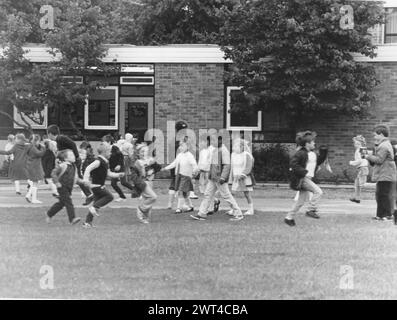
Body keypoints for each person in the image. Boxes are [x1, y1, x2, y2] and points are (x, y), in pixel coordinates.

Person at [190, 136, 244, 221]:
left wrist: (223, 177)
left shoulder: (224, 151)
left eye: (214, 140)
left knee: (227, 196)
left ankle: (238, 213)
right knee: (207, 195)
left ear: (220, 141)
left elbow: (227, 165)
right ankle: (202, 214)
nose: (212, 142)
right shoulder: (215, 150)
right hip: (213, 178)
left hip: (219, 178)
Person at [284, 131, 328, 227]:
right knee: (318, 192)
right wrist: (304, 172)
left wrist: (324, 152)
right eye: (313, 142)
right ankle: (311, 210)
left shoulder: (312, 153)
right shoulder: (300, 153)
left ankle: (289, 218)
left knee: (300, 201)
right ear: (307, 144)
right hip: (303, 178)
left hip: (308, 178)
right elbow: (293, 164)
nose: (314, 143)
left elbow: (318, 161)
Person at [47, 124, 93, 205]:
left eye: (48, 134)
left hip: (74, 161)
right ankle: (89, 195)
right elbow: (64, 151)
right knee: (75, 178)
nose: (48, 136)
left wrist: (76, 156)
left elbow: (72, 144)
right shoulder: (58, 140)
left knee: (71, 178)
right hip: (71, 161)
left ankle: (68, 196)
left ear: (50, 133)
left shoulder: (61, 138)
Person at [82, 143, 125, 228]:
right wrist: (85, 180)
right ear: (104, 152)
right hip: (96, 186)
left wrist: (118, 175)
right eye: (109, 151)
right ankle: (94, 207)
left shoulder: (105, 162)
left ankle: (87, 223)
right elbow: (88, 168)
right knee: (110, 197)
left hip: (99, 186)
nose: (110, 153)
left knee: (96, 202)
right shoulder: (98, 161)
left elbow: (109, 173)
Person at [364, 125, 397, 221]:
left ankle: (388, 215)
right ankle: (380, 215)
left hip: (386, 174)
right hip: (384, 173)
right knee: (380, 194)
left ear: (381, 134)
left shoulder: (384, 145)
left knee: (384, 195)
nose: (374, 137)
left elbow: (379, 160)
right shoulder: (384, 144)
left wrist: (368, 156)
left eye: (375, 135)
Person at [46, 149, 82, 225]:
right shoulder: (63, 165)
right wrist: (57, 182)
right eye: (71, 155)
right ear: (66, 159)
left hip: (69, 188)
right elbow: (53, 173)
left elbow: (75, 178)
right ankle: (72, 219)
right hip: (62, 187)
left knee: (61, 203)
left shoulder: (73, 166)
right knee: (69, 202)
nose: (74, 156)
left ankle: (49, 214)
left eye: (73, 154)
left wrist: (82, 182)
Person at [162, 142, 199, 214]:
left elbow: (194, 165)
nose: (180, 147)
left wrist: (195, 171)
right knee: (185, 193)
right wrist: (165, 168)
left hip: (186, 176)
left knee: (180, 191)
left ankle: (179, 208)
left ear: (187, 147)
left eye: (182, 146)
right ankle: (191, 206)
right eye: (180, 146)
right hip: (179, 176)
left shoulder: (190, 156)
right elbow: (174, 163)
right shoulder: (179, 155)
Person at [103, 134, 136, 202]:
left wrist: (119, 165)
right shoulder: (106, 149)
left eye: (105, 141)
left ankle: (138, 191)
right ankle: (122, 197)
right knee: (113, 184)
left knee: (123, 182)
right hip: (113, 169)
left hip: (120, 167)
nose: (103, 143)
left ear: (109, 142)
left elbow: (121, 156)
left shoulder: (114, 147)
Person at [228, 138, 256, 216]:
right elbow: (232, 167)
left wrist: (243, 174)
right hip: (236, 178)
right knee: (232, 193)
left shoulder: (247, 155)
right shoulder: (233, 155)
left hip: (244, 178)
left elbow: (249, 166)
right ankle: (233, 209)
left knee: (246, 193)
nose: (234, 147)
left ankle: (251, 209)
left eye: (236, 146)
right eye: (234, 146)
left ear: (242, 147)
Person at [24, 134, 47, 204]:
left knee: (36, 182)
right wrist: (44, 148)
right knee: (35, 182)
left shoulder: (29, 146)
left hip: (32, 165)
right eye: (37, 141)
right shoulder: (32, 147)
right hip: (34, 166)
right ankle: (34, 199)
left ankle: (29, 195)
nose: (38, 142)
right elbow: (40, 154)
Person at [349, 135, 369, 204]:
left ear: (361, 144)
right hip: (362, 168)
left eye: (358, 143)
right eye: (355, 143)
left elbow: (360, 161)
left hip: (362, 168)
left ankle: (378, 184)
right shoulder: (363, 149)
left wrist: (352, 163)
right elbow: (364, 159)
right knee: (357, 183)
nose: (356, 145)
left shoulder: (359, 150)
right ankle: (357, 198)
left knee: (362, 184)